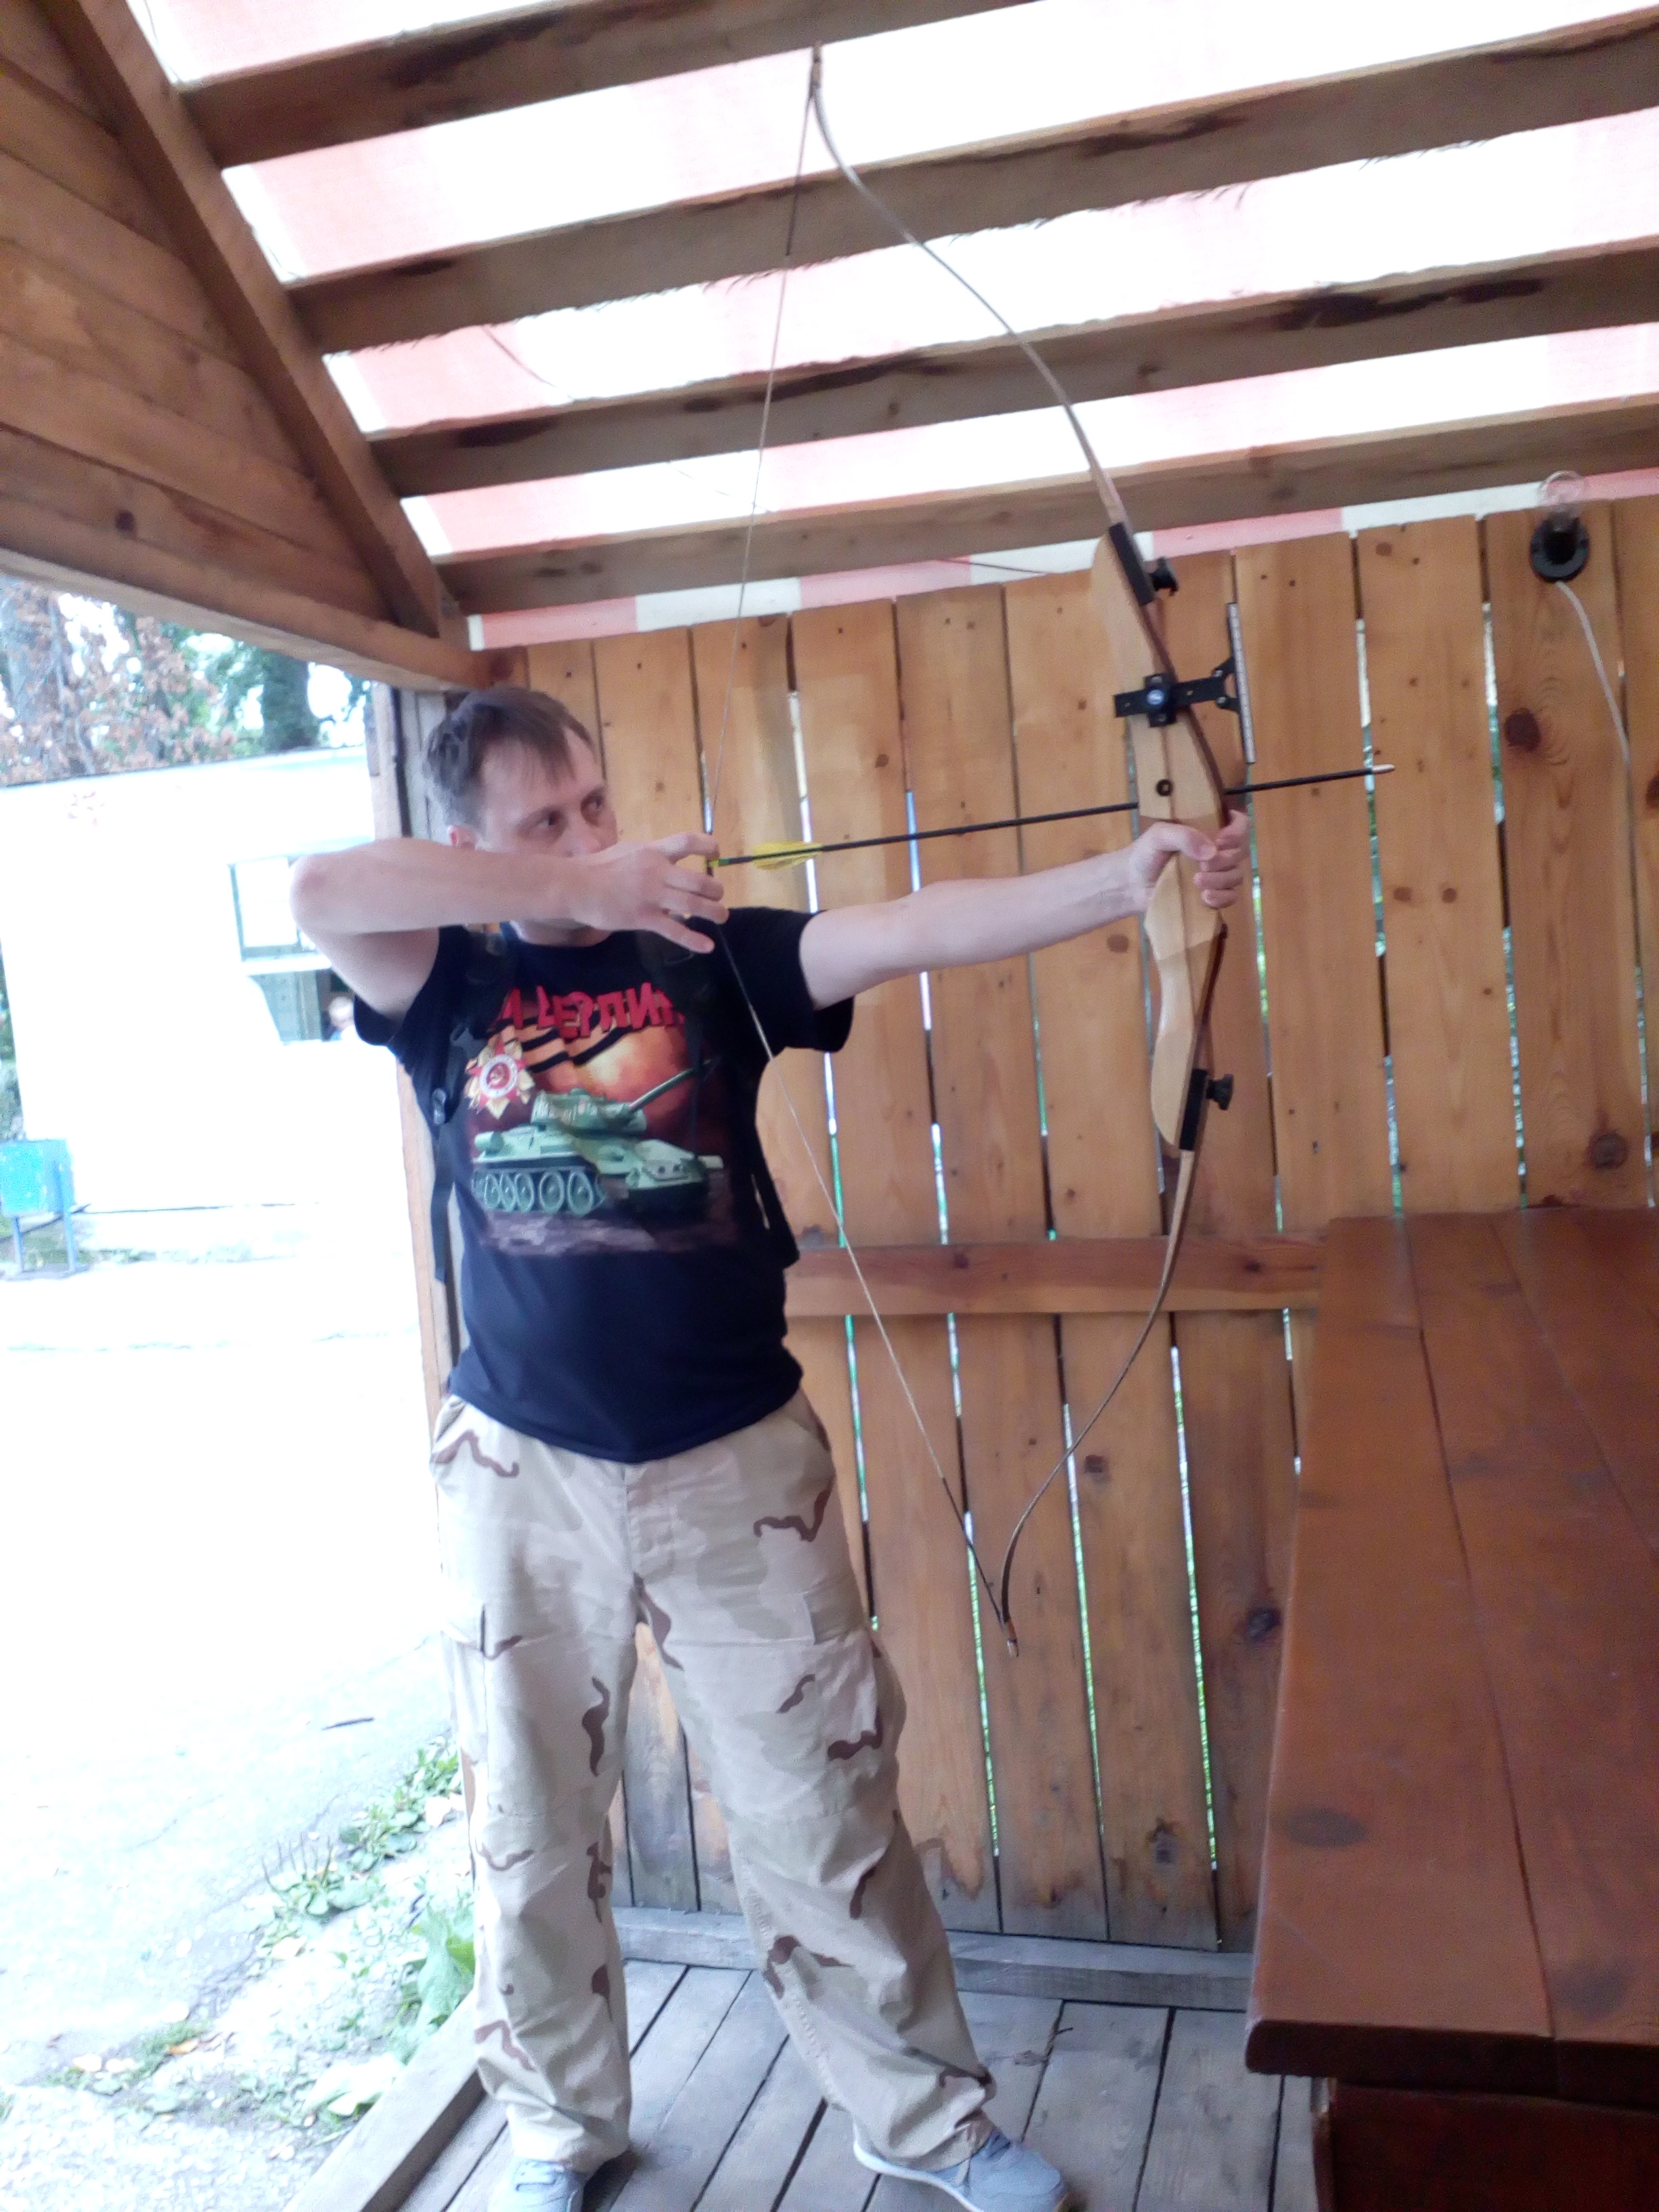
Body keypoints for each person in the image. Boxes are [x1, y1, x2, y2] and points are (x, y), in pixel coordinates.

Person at [289, 685, 1248, 2212]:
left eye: (595, 805)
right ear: (471, 844)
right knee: (528, 1823)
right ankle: (557, 2128)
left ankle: (921, 2120)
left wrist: (1127, 875)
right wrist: (575, 885)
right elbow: (318, 891)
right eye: (545, 823)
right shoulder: (441, 976)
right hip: (522, 1475)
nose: (591, 836)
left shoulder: (711, 958)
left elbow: (913, 928)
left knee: (822, 1808)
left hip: (735, 1467)